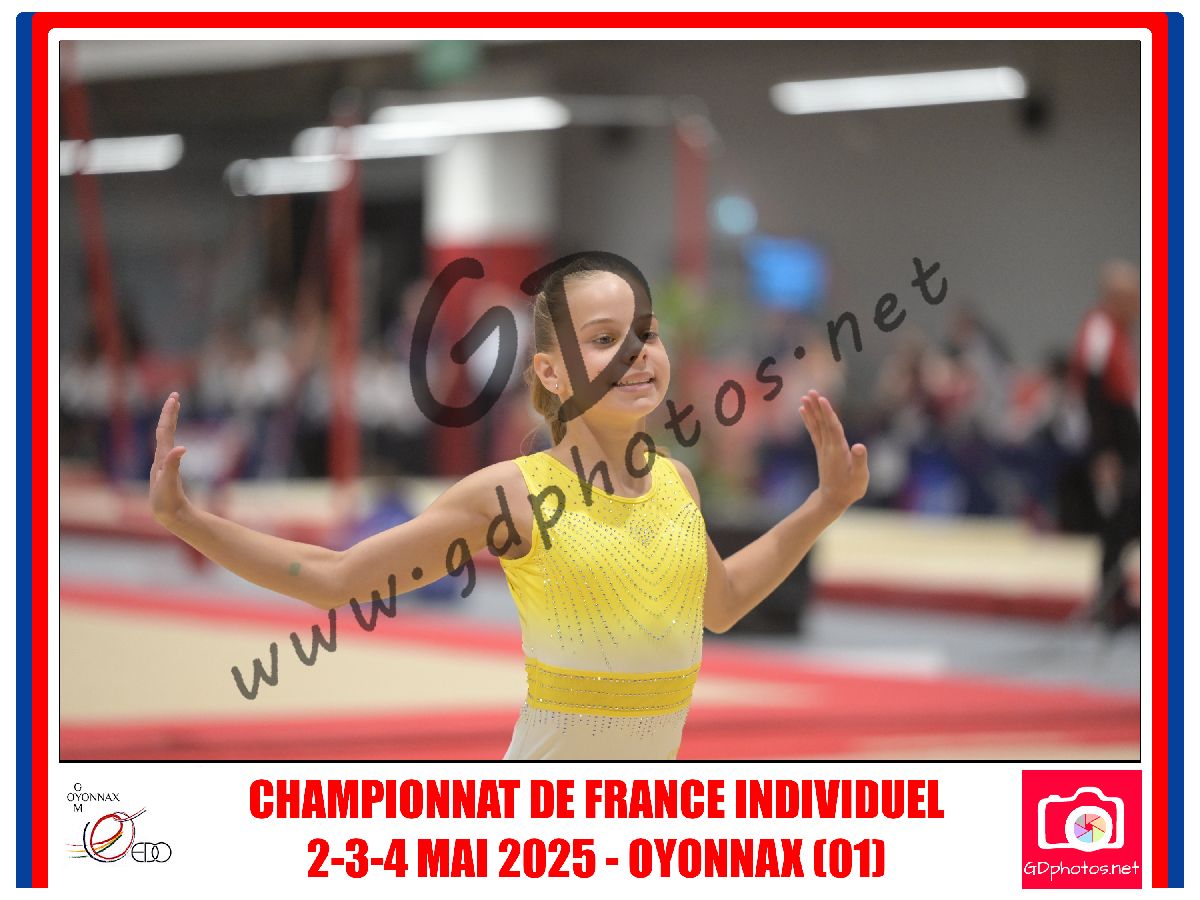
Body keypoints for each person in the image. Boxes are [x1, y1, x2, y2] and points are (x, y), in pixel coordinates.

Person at [148, 255, 869, 760]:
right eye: (605, 339)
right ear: (551, 372)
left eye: (646, 334)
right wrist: (187, 519)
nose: (637, 353)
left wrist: (823, 504)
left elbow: (725, 602)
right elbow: (336, 578)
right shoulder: (514, 495)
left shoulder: (676, 483)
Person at [1070, 259, 1140, 631]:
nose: (1139, 305)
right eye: (1133, 297)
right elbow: (1094, 392)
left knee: (1132, 519)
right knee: (1121, 521)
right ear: (1115, 297)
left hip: (1124, 437)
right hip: (1112, 441)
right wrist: (1104, 454)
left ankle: (1119, 599)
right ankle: (1111, 602)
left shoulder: (1119, 331)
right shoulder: (1100, 328)